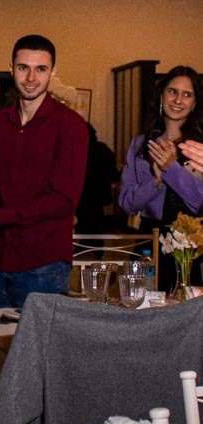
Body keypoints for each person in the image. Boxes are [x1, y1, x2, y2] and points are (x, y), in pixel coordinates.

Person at [0, 34, 88, 316]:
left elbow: (63, 200)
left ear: (53, 72)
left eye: (40, 69)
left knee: (39, 358)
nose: (30, 77)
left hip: (45, 266)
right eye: (22, 67)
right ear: (11, 69)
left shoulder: (71, 126)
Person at [117, 66, 203, 290]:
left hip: (192, 246)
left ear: (194, 103)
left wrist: (170, 169)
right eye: (172, 91)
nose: (178, 100)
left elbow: (199, 203)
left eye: (187, 94)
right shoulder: (140, 144)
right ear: (162, 96)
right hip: (149, 242)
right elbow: (126, 202)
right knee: (142, 313)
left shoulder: (198, 149)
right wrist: (155, 181)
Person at [75, 123, 119, 234]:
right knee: (96, 224)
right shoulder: (102, 149)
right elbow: (113, 172)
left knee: (83, 224)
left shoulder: (76, 150)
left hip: (82, 195)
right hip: (98, 196)